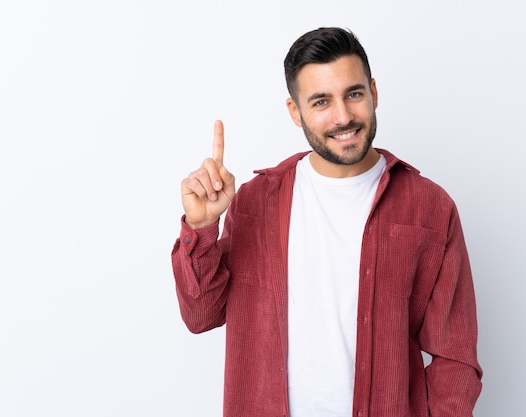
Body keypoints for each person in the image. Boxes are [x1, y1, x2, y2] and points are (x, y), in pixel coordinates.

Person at [171, 27, 482, 417]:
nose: (343, 117)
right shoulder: (255, 202)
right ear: (295, 111)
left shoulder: (429, 208)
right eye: (321, 102)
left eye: (354, 94)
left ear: (374, 92)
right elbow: (201, 316)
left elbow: (455, 357)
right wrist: (202, 229)